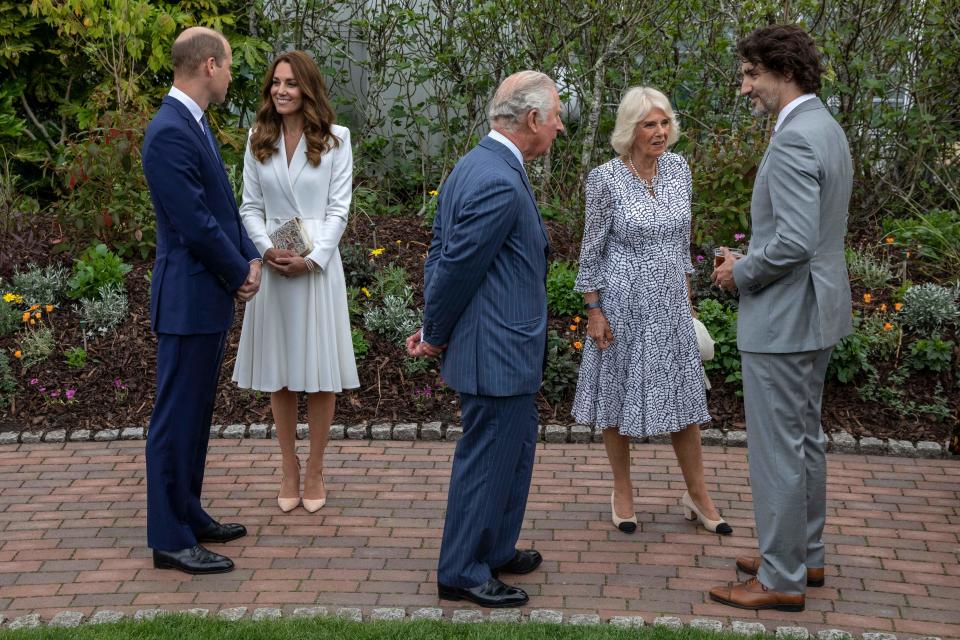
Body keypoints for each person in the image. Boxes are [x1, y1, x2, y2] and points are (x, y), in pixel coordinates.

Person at [405, 70, 564, 608]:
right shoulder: (495, 176)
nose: (561, 128)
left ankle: (494, 548)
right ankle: (462, 572)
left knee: (511, 454)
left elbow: (439, 251)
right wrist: (435, 331)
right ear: (533, 119)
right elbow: (453, 265)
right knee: (488, 459)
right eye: (557, 116)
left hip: (502, 347)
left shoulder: (479, 164)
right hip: (496, 350)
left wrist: (436, 325)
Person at [709, 24, 853, 612]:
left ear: (783, 70)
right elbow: (809, 235)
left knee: (778, 449)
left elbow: (792, 241)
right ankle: (803, 555)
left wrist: (739, 272)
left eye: (751, 75)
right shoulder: (827, 127)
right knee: (805, 442)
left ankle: (780, 578)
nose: (745, 88)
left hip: (786, 318)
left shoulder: (795, 137)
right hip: (816, 309)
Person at [572, 86, 731, 537]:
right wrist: (594, 310)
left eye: (664, 123)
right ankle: (622, 492)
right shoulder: (605, 178)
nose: (660, 132)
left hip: (670, 304)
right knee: (618, 398)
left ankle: (697, 496)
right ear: (630, 130)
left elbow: (683, 241)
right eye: (649, 124)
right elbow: (591, 249)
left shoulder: (679, 169)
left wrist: (687, 301)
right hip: (622, 302)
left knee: (684, 400)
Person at [142, 27, 262, 575]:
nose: (233, 74)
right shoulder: (169, 131)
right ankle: (169, 538)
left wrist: (249, 257)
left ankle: (188, 513)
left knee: (196, 416)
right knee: (175, 419)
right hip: (188, 298)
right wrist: (238, 270)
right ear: (209, 65)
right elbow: (192, 222)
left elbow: (222, 207)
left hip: (206, 295)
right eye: (230, 65)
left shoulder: (194, 124)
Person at [232, 51, 358, 513]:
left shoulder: (337, 140)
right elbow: (249, 206)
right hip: (275, 268)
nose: (280, 91)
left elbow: (338, 209)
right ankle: (288, 467)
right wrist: (266, 250)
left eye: (290, 83)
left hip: (317, 271)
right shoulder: (256, 138)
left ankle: (316, 468)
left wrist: (313, 259)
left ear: (308, 88)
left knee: (320, 375)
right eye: (275, 83)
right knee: (281, 374)